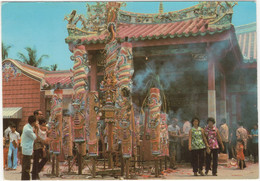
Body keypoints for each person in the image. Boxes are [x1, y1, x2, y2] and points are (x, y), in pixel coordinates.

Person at [21, 115, 37, 180]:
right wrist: (36, 129)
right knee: (26, 167)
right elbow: (34, 137)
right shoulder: (28, 129)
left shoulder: (28, 127)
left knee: (26, 166)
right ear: (33, 122)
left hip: (28, 149)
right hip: (27, 149)